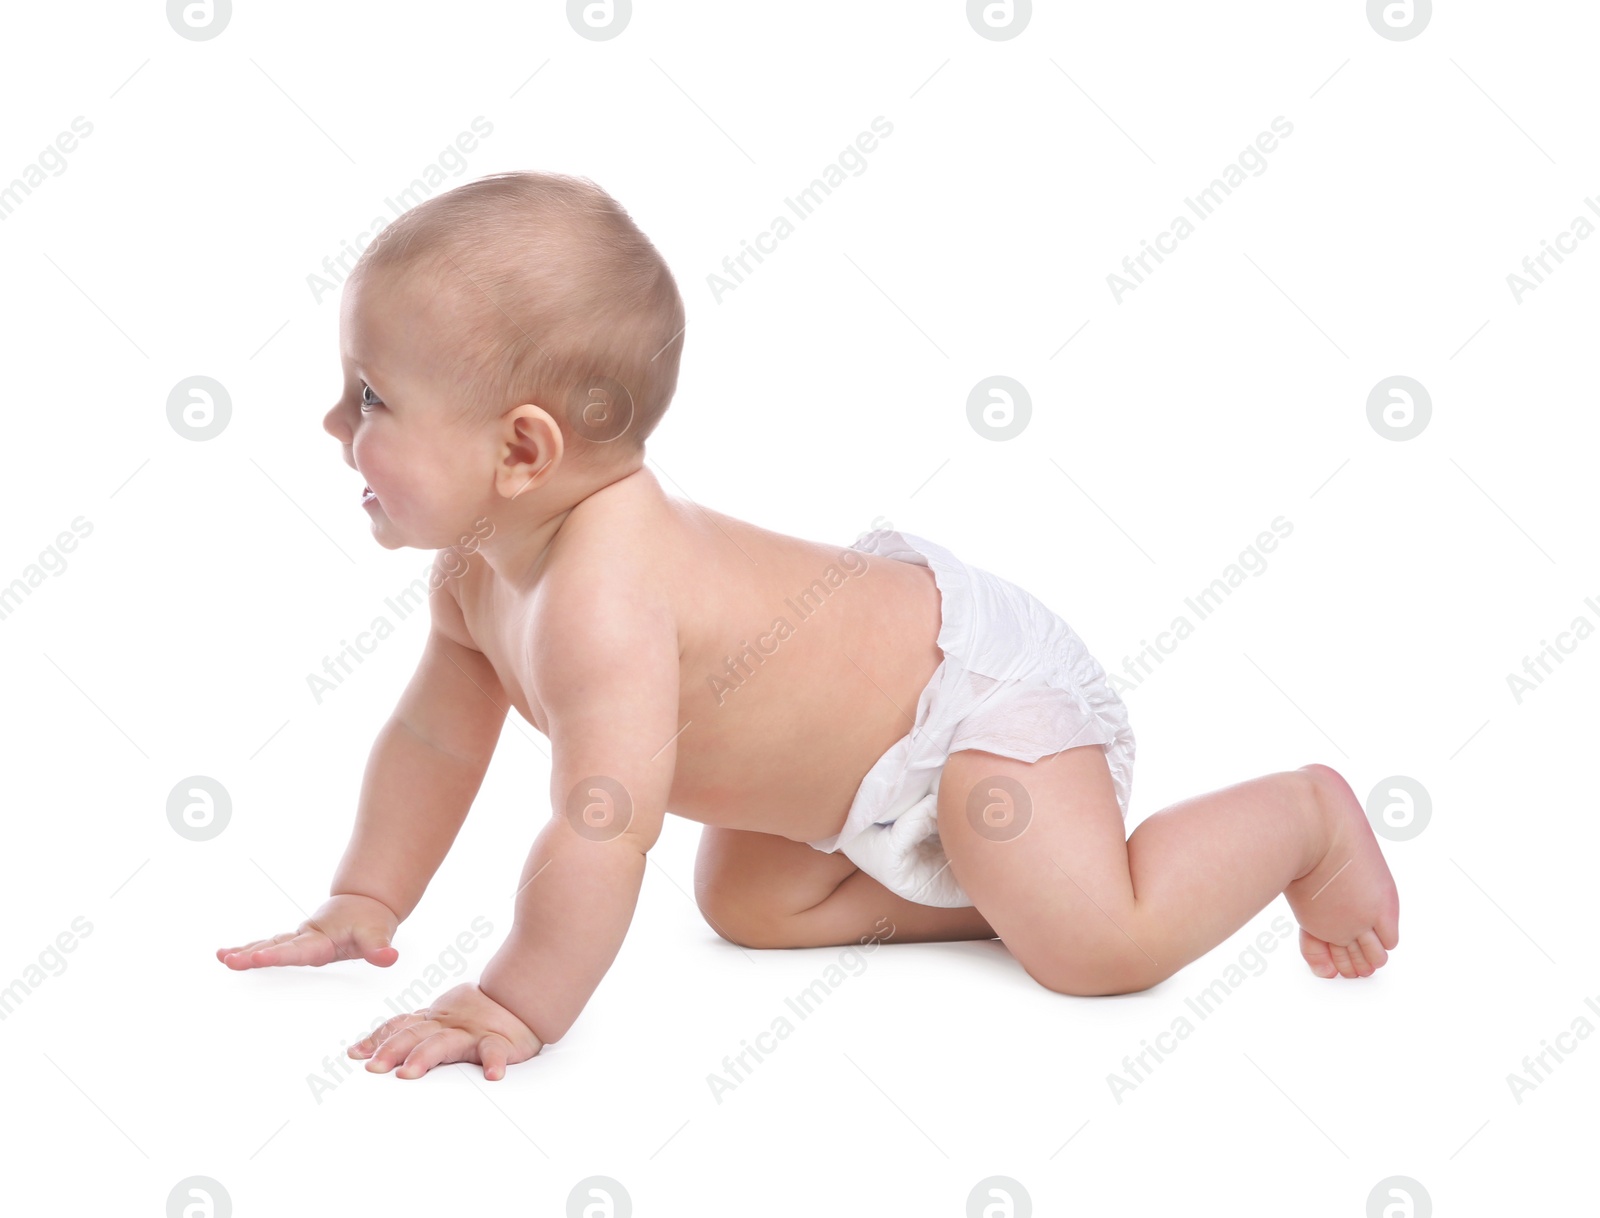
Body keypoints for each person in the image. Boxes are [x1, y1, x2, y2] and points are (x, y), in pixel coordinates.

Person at [217, 171, 1398, 1082]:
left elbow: (603, 827)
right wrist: (365, 900)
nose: (334, 422)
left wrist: (517, 1001)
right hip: (849, 787)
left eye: (371, 396)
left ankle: (1299, 822)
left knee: (1096, 950)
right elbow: (434, 745)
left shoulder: (605, 599)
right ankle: (1002, 888)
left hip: (972, 708)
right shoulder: (476, 572)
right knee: (747, 910)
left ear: (522, 449)